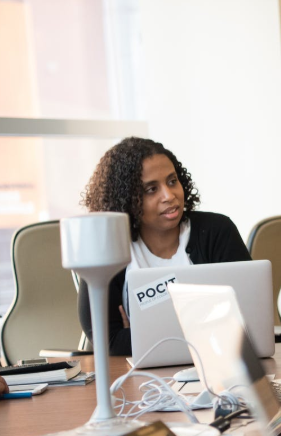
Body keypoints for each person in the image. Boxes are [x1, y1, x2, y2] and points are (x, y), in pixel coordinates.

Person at [78, 137, 251, 355]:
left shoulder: (217, 231)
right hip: (141, 381)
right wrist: (205, 329)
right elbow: (109, 342)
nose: (169, 196)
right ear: (125, 198)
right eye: (151, 189)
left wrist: (140, 335)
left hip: (219, 369)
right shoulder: (107, 249)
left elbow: (246, 321)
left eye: (172, 181)